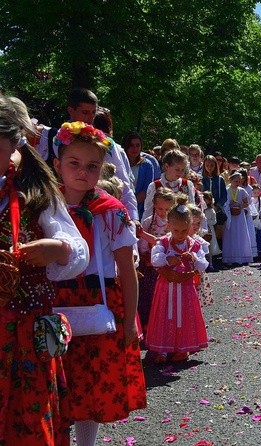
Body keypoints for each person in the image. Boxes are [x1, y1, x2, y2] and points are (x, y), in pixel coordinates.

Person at [0, 96, 89, 446]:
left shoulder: (34, 193)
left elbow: (78, 249)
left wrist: (60, 248)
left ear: (13, 143)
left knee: (26, 423)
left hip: (22, 335)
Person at [51, 122, 145, 446]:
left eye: (92, 166)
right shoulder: (45, 208)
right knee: (59, 380)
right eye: (73, 163)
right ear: (57, 165)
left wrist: (130, 320)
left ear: (102, 168)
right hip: (53, 299)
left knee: (90, 384)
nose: (82, 172)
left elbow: (127, 270)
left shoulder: (112, 212)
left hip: (98, 301)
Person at [35, 88, 139, 221]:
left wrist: (133, 218)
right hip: (55, 212)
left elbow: (124, 184)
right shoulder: (49, 139)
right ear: (71, 110)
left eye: (93, 113)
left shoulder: (104, 144)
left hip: (94, 215)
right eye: (85, 112)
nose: (89, 118)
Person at [146, 199, 209, 364]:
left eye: (183, 230)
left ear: (189, 227)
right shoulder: (164, 242)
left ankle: (182, 348)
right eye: (176, 230)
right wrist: (168, 259)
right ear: (168, 225)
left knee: (184, 316)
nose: (180, 234)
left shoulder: (194, 245)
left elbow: (203, 264)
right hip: (166, 288)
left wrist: (194, 258)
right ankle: (162, 349)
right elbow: (155, 259)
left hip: (186, 288)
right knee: (165, 316)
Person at [137, 187, 176, 333]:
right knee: (149, 294)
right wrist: (145, 252)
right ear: (154, 205)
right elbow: (142, 243)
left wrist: (147, 237)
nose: (163, 212)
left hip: (167, 263)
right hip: (150, 263)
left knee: (167, 295)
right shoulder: (148, 221)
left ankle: (167, 323)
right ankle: (149, 323)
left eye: (167, 209)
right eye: (160, 208)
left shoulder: (173, 222)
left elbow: (165, 242)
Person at [145, 149, 199, 218]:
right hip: (160, 226)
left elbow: (192, 209)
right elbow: (148, 212)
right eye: (177, 169)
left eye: (183, 170)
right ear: (167, 166)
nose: (180, 172)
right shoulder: (154, 186)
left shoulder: (187, 184)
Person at [122, 131, 160, 219]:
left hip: (138, 209)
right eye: (131, 145)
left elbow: (146, 191)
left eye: (138, 145)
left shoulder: (147, 165)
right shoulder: (120, 163)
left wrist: (130, 203)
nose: (135, 148)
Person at [221, 172, 253, 266]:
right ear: (230, 180)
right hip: (229, 215)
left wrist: (240, 205)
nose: (238, 183)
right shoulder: (226, 190)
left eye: (239, 181)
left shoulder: (242, 191)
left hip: (240, 216)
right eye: (236, 181)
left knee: (240, 235)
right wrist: (229, 205)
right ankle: (229, 258)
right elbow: (223, 203)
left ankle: (241, 257)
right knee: (230, 235)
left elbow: (247, 203)